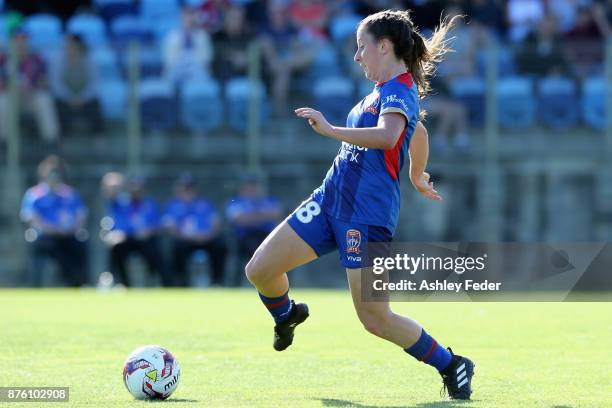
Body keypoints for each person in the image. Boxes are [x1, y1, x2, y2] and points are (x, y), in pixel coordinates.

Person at [245, 10, 475, 400]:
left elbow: (390, 136)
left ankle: (452, 364)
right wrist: (417, 174)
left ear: (383, 46)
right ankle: (286, 315)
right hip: (329, 200)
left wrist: (333, 130)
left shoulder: (398, 90)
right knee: (260, 269)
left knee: (374, 318)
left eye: (361, 47)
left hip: (365, 218)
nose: (356, 57)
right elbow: (416, 130)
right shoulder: (383, 92)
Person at [20, 155, 88, 287]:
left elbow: (81, 214)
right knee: (49, 245)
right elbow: (31, 218)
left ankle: (78, 282)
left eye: (56, 173)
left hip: (67, 235)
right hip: (45, 236)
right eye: (50, 173)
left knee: (80, 243)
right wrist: (53, 229)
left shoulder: (69, 193)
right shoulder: (34, 194)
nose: (53, 176)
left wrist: (71, 229)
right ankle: (36, 284)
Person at [102, 175, 169, 287]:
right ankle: (122, 283)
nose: (136, 192)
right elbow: (117, 223)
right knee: (116, 248)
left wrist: (148, 231)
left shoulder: (149, 205)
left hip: (145, 240)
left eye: (138, 189)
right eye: (133, 188)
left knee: (155, 250)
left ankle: (163, 282)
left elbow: (158, 225)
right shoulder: (122, 204)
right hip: (127, 239)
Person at [163, 173, 227, 287]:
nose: (187, 191)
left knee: (220, 246)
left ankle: (217, 282)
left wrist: (207, 235)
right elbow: (170, 227)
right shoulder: (173, 205)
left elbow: (216, 223)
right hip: (185, 240)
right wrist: (188, 236)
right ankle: (181, 282)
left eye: (190, 188)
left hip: (206, 239)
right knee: (177, 248)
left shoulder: (205, 204)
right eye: (184, 188)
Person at [0, 31, 60, 144]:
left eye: (24, 41)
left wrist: (34, 86)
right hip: (11, 98)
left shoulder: (37, 59)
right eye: (18, 41)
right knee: (2, 102)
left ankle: (51, 141)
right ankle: (3, 142)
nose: (21, 44)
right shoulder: (3, 60)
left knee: (44, 100)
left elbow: (45, 83)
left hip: (31, 97)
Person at [226, 173, 282, 287]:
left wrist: (251, 216)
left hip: (266, 236)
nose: (252, 189)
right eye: (249, 186)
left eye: (254, 186)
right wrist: (262, 216)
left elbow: (277, 214)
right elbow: (238, 219)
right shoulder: (237, 201)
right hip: (244, 237)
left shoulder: (268, 200)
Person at [51, 34, 103, 134]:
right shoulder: (58, 60)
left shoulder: (90, 60)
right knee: (59, 106)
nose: (69, 47)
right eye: (68, 44)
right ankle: (62, 140)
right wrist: (69, 97)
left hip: (85, 98)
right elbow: (56, 83)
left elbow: (94, 84)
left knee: (95, 103)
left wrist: (82, 98)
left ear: (80, 46)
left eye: (73, 45)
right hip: (65, 98)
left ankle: (100, 139)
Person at [163, 6, 214, 83]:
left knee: (201, 73)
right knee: (171, 74)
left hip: (197, 67)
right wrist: (182, 60)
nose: (188, 19)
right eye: (185, 16)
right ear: (181, 18)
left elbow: (207, 57)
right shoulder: (172, 36)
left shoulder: (202, 35)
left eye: (190, 16)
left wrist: (192, 61)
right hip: (178, 67)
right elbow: (169, 60)